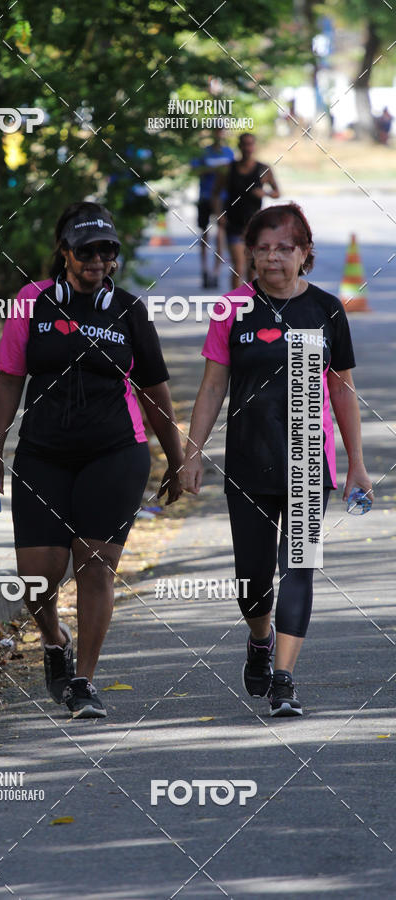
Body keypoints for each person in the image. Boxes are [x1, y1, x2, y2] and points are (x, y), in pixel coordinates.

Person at [0, 201, 183, 718]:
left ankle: (84, 682)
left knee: (94, 568)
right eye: (86, 250)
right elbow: (8, 381)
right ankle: (53, 641)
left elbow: (155, 393)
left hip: (115, 453)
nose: (97, 259)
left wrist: (177, 459)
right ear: (64, 252)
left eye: (107, 250)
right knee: (38, 576)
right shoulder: (32, 303)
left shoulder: (130, 311)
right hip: (43, 454)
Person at [179, 202, 373, 717]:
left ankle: (285, 679)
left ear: (304, 253)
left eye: (284, 248)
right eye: (262, 249)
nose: (271, 259)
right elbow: (213, 385)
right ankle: (259, 638)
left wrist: (356, 462)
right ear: (249, 254)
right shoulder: (232, 311)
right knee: (252, 580)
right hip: (247, 460)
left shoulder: (327, 310)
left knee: (300, 568)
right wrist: (190, 454)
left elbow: (343, 391)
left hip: (311, 460)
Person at [213, 133, 280, 289]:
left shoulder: (263, 169)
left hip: (255, 225)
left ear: (254, 146)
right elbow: (215, 194)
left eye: (250, 144)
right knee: (238, 267)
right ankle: (235, 306)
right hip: (233, 223)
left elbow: (277, 192)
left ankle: (250, 305)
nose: (247, 148)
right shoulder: (228, 169)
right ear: (239, 146)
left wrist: (265, 193)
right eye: (244, 144)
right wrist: (219, 215)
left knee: (252, 269)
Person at [191, 130, 234, 288]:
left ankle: (216, 272)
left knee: (221, 233)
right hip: (205, 196)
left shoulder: (229, 152)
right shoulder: (203, 152)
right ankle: (205, 270)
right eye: (216, 131)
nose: (219, 135)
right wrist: (214, 170)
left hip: (223, 198)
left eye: (221, 132)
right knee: (205, 233)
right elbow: (194, 170)